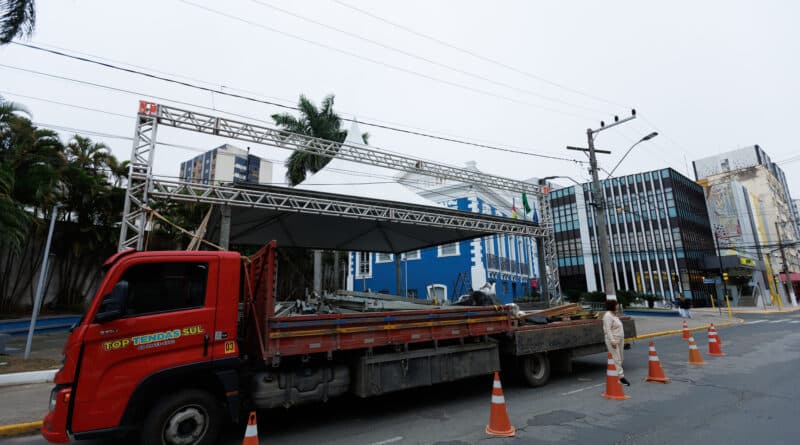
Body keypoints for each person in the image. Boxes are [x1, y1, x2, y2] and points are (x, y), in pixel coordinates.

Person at [602, 299, 629, 386]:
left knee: (620, 357)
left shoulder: (614, 315)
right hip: (613, 340)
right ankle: (621, 377)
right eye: (616, 306)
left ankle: (616, 375)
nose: (617, 307)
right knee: (616, 358)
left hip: (620, 339)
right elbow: (608, 330)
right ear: (612, 306)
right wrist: (612, 341)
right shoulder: (607, 316)